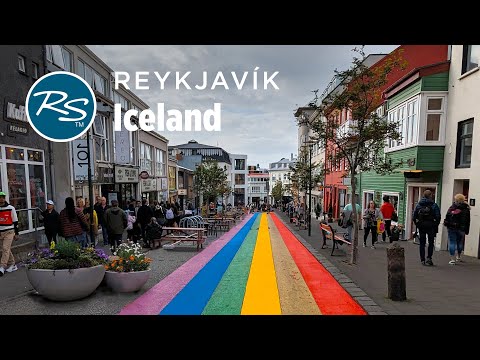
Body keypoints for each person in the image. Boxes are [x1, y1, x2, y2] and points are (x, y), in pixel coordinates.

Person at [413, 190, 441, 266]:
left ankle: (422, 259)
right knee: (431, 243)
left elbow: (414, 216)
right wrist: (435, 224)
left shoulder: (419, 205)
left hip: (421, 226)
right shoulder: (434, 205)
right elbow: (438, 216)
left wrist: (417, 224)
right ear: (431, 195)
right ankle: (429, 258)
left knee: (422, 243)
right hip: (431, 226)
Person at [444, 194, 471, 265]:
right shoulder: (466, 208)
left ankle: (452, 259)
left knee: (452, 242)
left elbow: (447, 216)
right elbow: (468, 220)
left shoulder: (452, 207)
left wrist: (446, 223)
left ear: (456, 200)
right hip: (462, 229)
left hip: (452, 227)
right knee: (460, 243)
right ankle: (458, 256)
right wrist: (466, 229)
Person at [0, 191, 19, 276]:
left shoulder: (11, 208)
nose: (1, 199)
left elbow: (15, 221)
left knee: (5, 248)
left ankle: (2, 267)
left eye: (2, 197)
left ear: (4, 198)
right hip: (1, 232)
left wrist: (17, 233)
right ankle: (12, 264)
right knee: (6, 249)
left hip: (9, 231)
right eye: (0, 197)